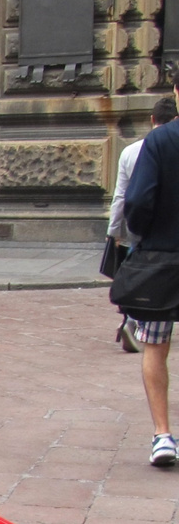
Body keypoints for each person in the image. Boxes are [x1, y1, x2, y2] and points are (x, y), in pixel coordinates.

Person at [120, 78, 179, 467]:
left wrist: (148, 231)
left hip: (163, 257)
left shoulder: (159, 141)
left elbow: (137, 201)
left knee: (154, 346)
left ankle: (163, 435)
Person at [109, 97, 177, 354]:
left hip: (150, 235)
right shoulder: (163, 143)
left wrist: (115, 230)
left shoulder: (135, 149)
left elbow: (125, 196)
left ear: (152, 119)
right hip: (165, 232)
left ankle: (135, 320)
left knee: (148, 282)